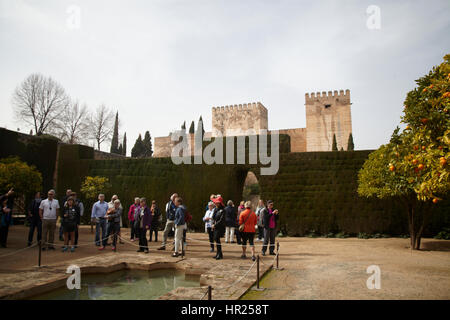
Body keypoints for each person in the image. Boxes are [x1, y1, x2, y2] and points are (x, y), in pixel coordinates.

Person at [211, 195, 226, 260]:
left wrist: (215, 225)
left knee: (217, 240)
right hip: (215, 226)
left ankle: (219, 254)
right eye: (216, 203)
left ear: (220, 203)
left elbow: (221, 220)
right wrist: (213, 224)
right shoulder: (216, 209)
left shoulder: (223, 210)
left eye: (217, 203)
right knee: (216, 240)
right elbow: (213, 217)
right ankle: (218, 253)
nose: (216, 204)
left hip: (220, 227)